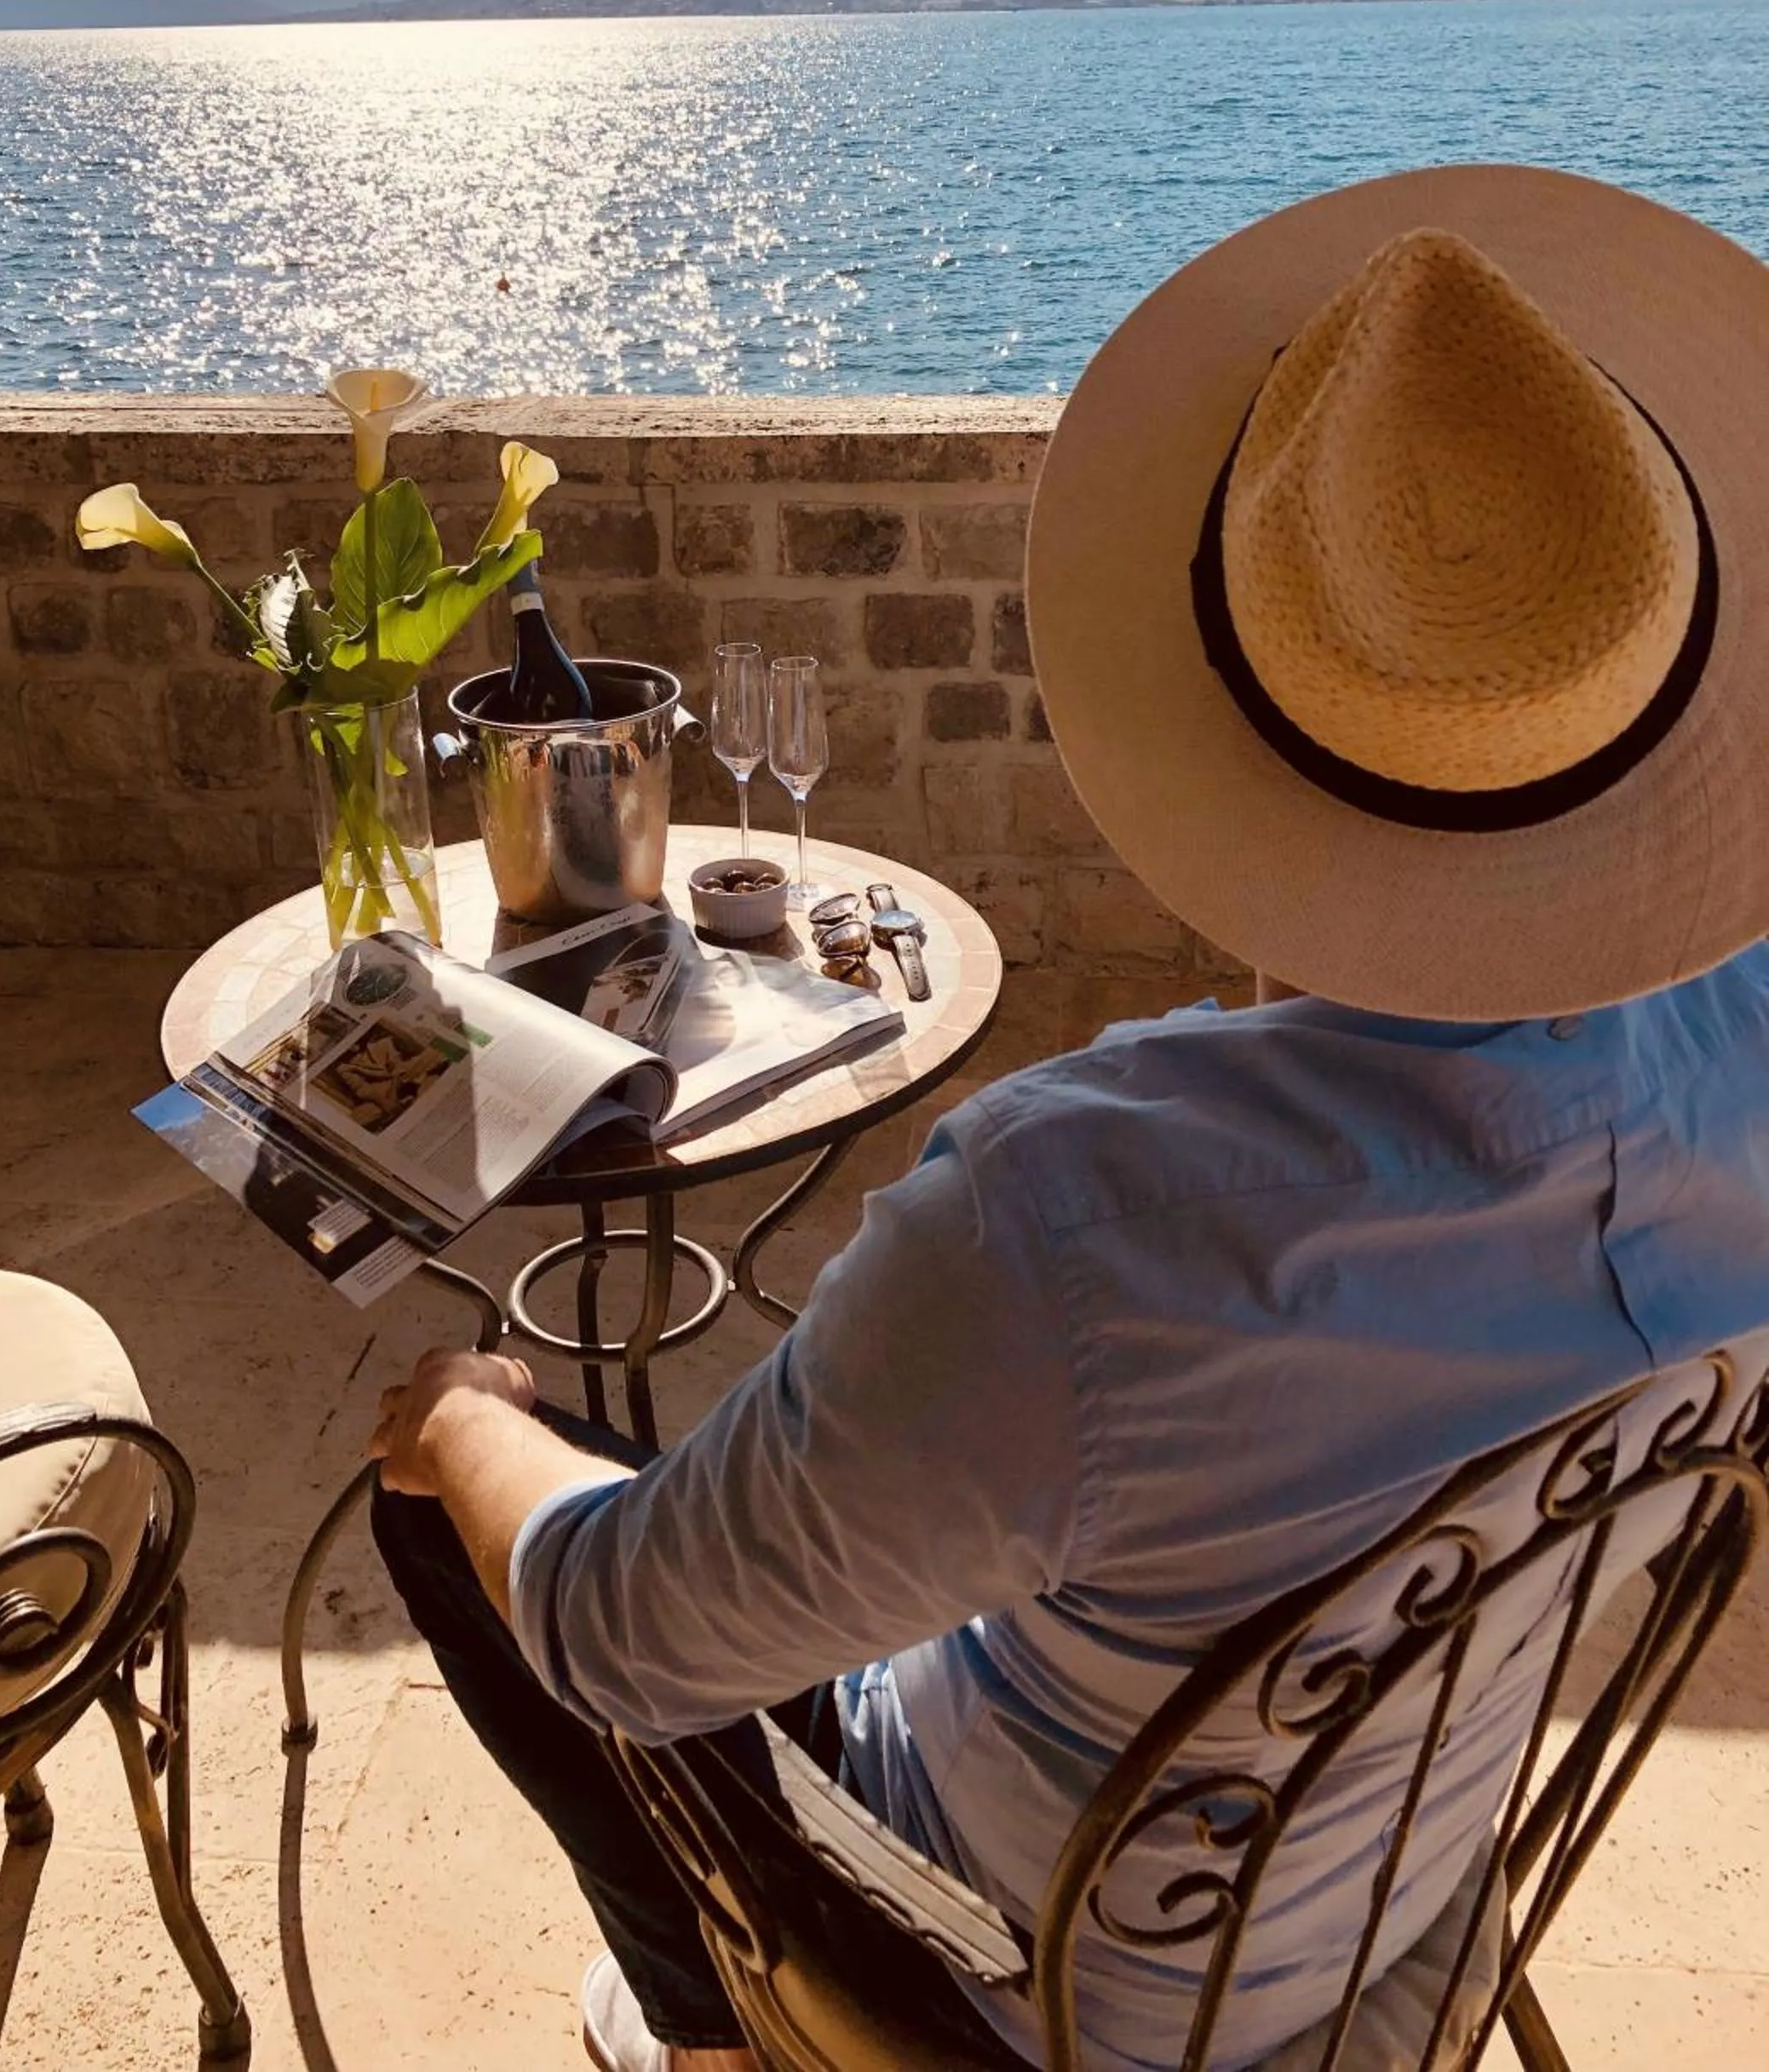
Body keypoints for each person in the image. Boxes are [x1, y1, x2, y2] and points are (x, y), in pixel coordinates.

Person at [368, 166, 1769, 2072]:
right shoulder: (1740, 1049)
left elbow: (626, 1640)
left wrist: (461, 1410)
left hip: (1053, 1977)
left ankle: (719, 2018)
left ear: (1214, 694)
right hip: (1399, 1863)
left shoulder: (1075, 1219)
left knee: (491, 1509)